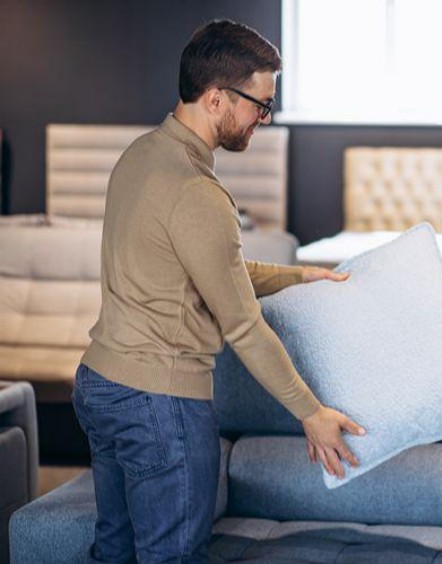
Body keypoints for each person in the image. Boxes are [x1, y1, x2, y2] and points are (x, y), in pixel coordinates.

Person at [72, 20, 364, 563]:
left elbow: (205, 269)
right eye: (261, 105)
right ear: (215, 98)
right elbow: (244, 326)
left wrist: (298, 276)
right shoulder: (198, 193)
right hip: (160, 403)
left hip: (101, 384)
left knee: (115, 551)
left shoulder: (139, 155)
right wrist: (311, 411)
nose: (264, 119)